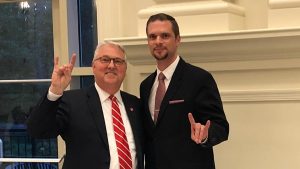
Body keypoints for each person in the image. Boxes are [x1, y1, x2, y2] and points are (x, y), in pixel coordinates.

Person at [27, 41, 144, 169]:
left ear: (125, 69)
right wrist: (54, 91)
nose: (111, 65)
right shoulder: (72, 101)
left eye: (118, 61)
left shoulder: (135, 104)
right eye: (105, 60)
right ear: (93, 66)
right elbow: (38, 130)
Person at [139, 13, 229, 169]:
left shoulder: (199, 78)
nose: (158, 41)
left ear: (178, 39)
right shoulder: (145, 86)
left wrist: (205, 134)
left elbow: (221, 127)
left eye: (165, 35)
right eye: (152, 37)